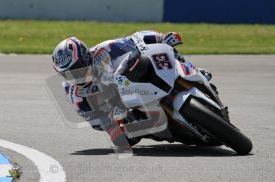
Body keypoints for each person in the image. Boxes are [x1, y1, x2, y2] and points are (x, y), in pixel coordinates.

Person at [51, 31, 188, 150]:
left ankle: (189, 70)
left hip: (138, 82)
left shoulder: (105, 49)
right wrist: (111, 118)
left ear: (85, 56)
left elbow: (137, 39)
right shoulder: (76, 95)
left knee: (161, 56)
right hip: (127, 108)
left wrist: (161, 38)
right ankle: (170, 130)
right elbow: (95, 122)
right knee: (121, 139)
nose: (76, 75)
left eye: (77, 68)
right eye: (68, 74)